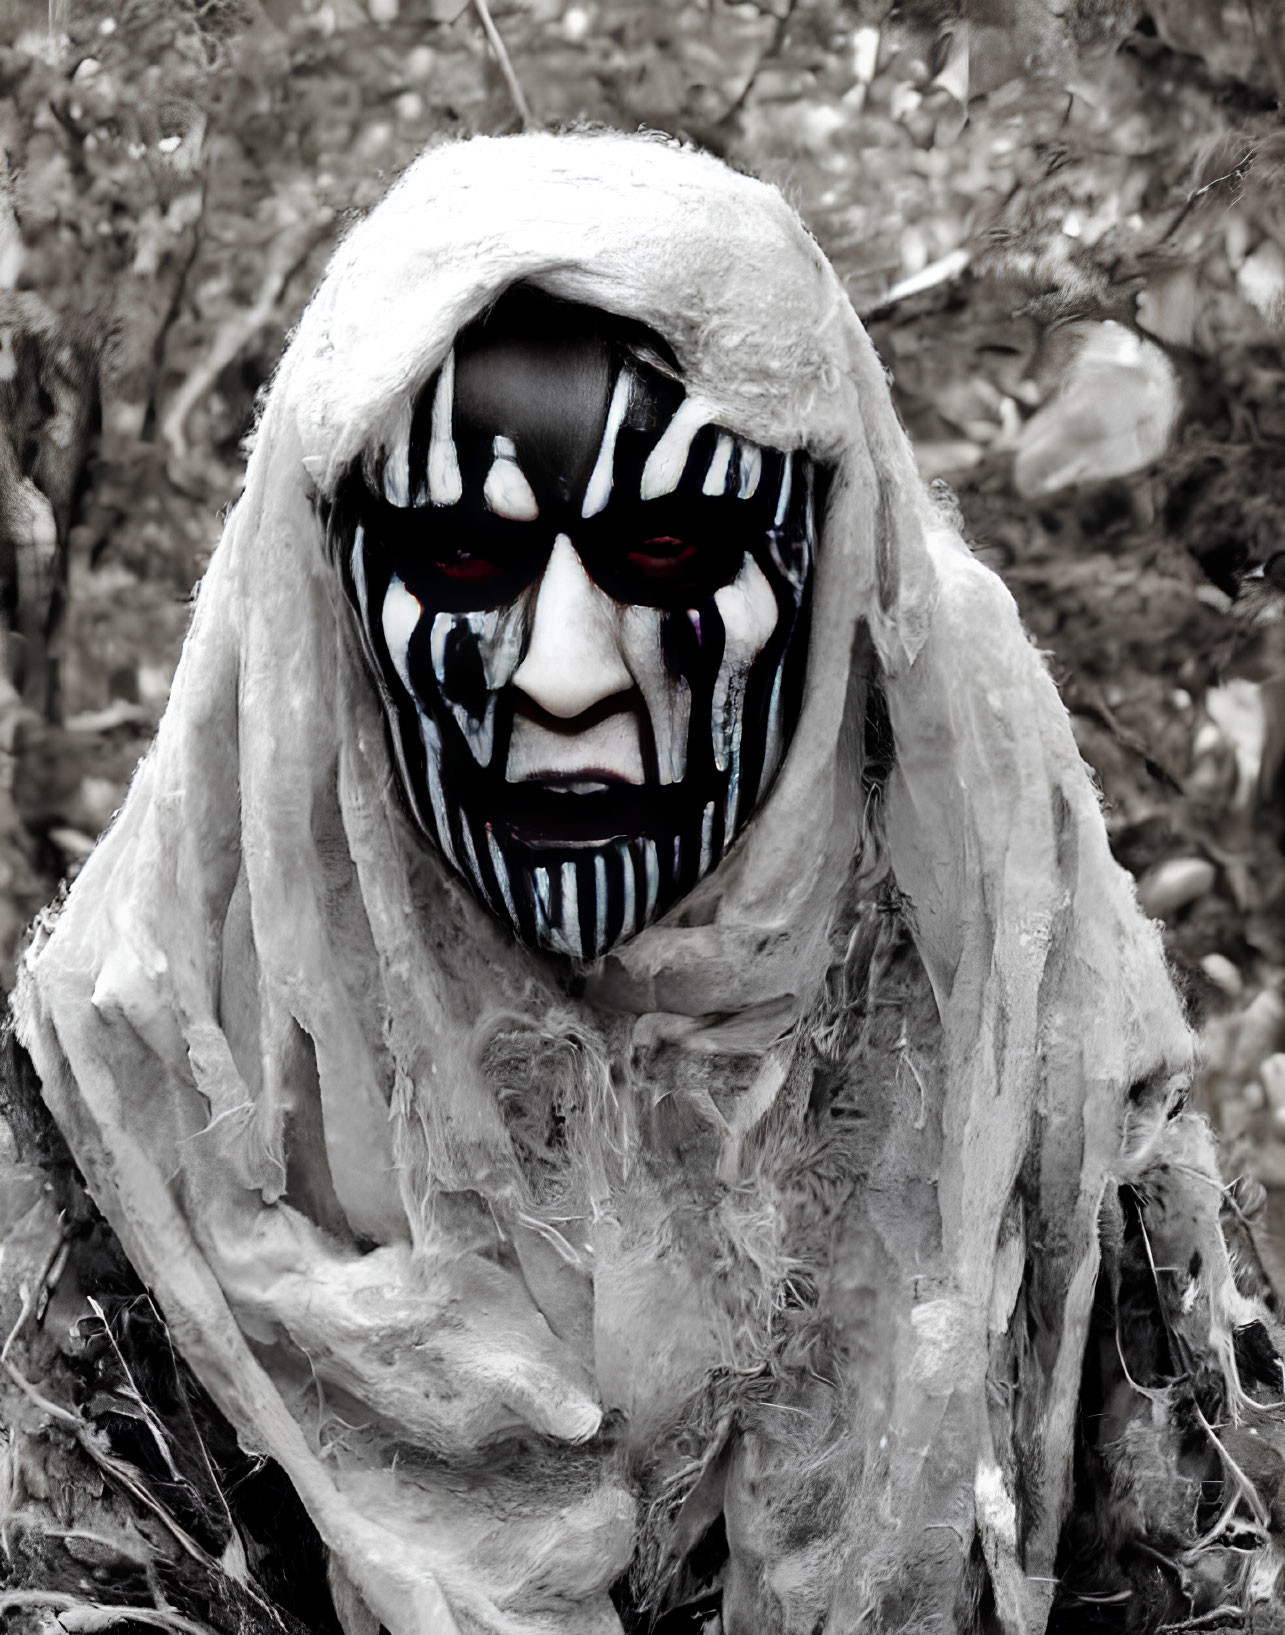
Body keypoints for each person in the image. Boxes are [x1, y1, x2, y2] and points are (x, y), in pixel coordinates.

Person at [4, 130, 1284, 1635]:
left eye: (668, 549)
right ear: (326, 604)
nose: (558, 677)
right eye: (461, 561)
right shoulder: (134, 1103)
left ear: (825, 578)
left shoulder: (1019, 1060)